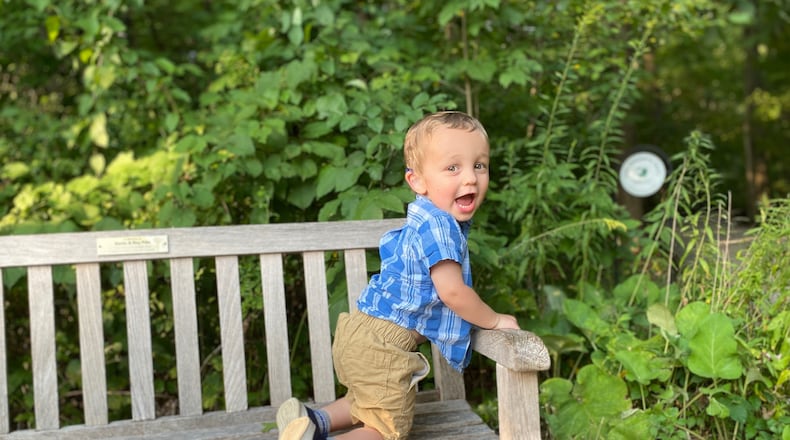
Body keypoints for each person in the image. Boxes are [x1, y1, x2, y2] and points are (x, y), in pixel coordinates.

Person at [277, 111, 520, 440]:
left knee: (367, 399)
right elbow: (453, 293)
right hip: (384, 344)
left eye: (479, 165)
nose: (470, 178)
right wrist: (493, 320)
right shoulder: (440, 227)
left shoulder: (424, 218)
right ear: (417, 181)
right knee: (386, 428)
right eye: (453, 167)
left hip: (360, 332)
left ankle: (312, 421)